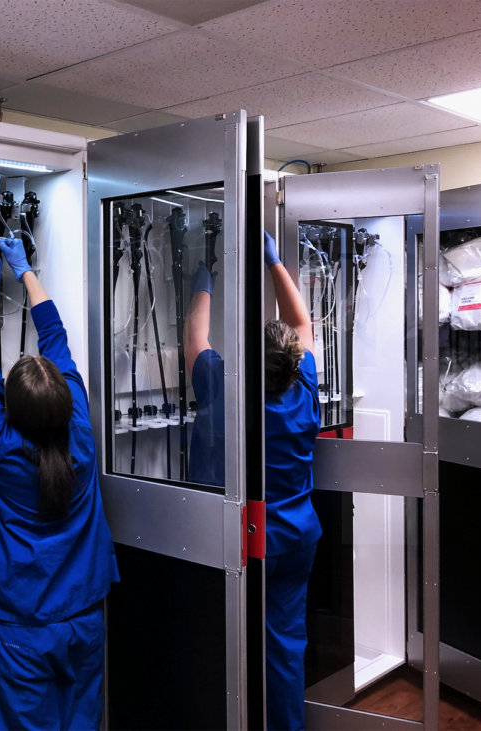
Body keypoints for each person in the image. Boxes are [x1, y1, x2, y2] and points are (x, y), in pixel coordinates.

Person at [0, 237, 119, 731]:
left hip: (19, 629)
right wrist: (24, 268)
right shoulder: (82, 436)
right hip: (83, 618)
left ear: (11, 409)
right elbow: (56, 339)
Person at [184, 231, 321, 731]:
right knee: (284, 645)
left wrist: (206, 278)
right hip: (294, 536)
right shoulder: (304, 388)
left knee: (222, 638)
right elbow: (302, 322)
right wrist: (273, 262)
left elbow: (195, 337)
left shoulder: (224, 389)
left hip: (240, 539)